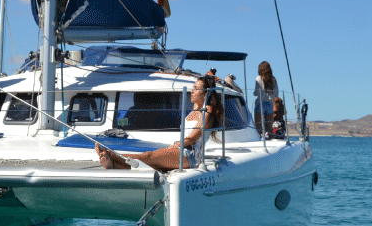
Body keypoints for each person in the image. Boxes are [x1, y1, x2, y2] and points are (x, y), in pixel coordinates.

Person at [96, 75, 224, 172]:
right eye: (193, 88)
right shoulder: (195, 109)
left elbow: (191, 139)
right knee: (148, 165)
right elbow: (199, 101)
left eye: (196, 88)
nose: (192, 91)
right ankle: (112, 165)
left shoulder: (207, 114)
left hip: (189, 155)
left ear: (206, 93)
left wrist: (171, 147)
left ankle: (111, 154)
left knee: (148, 156)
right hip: (180, 149)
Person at [253, 60, 279, 136]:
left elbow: (256, 92)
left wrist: (254, 94)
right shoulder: (273, 79)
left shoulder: (258, 78)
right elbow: (276, 93)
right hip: (270, 105)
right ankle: (272, 139)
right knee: (270, 127)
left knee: (259, 127)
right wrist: (271, 98)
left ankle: (261, 141)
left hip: (260, 104)